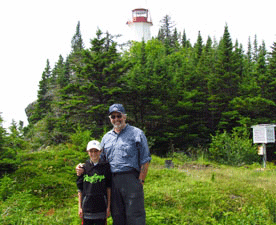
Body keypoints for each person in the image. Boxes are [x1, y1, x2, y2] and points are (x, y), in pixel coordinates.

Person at [77, 103, 151, 225]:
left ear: (125, 116)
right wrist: (83, 168)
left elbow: (145, 159)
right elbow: (99, 161)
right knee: (117, 214)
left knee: (135, 214)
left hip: (131, 178)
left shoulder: (137, 133)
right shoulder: (106, 138)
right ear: (110, 119)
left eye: (118, 116)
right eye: (113, 117)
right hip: (112, 180)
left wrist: (141, 181)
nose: (116, 119)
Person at [76, 140, 111, 225]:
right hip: (87, 209)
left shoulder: (106, 167)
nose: (94, 153)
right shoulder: (83, 168)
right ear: (88, 152)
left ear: (100, 152)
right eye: (91, 151)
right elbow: (80, 190)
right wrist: (80, 207)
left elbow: (109, 188)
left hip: (101, 209)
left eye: (96, 151)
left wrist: (108, 207)